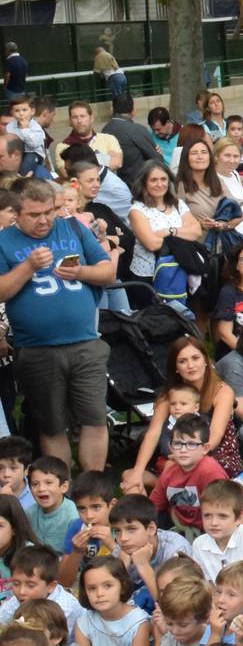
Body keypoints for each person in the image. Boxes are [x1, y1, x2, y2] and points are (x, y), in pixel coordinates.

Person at [0, 180, 118, 471]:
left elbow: (108, 272)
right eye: (34, 214)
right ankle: (61, 492)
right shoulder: (3, 241)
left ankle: (93, 490)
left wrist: (80, 271)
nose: (44, 220)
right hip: (37, 349)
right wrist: (28, 267)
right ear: (16, 213)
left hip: (86, 341)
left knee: (94, 418)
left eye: (49, 211)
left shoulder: (74, 228)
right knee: (52, 425)